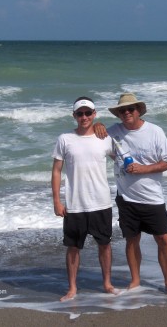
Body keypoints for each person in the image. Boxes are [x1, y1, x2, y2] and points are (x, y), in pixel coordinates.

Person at [94, 92, 167, 296]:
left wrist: (144, 169)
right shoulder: (113, 132)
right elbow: (93, 136)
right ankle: (135, 280)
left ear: (139, 110)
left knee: (163, 239)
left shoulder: (155, 131)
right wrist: (97, 125)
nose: (126, 113)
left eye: (130, 109)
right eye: (122, 110)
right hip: (126, 198)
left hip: (152, 198)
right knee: (131, 240)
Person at [51, 96, 117, 301]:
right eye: (80, 113)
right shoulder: (65, 139)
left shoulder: (105, 138)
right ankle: (72, 288)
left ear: (94, 114)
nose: (84, 117)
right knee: (73, 247)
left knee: (104, 244)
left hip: (101, 201)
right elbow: (56, 171)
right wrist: (57, 201)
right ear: (74, 116)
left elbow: (123, 159)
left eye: (88, 113)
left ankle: (107, 283)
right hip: (74, 204)